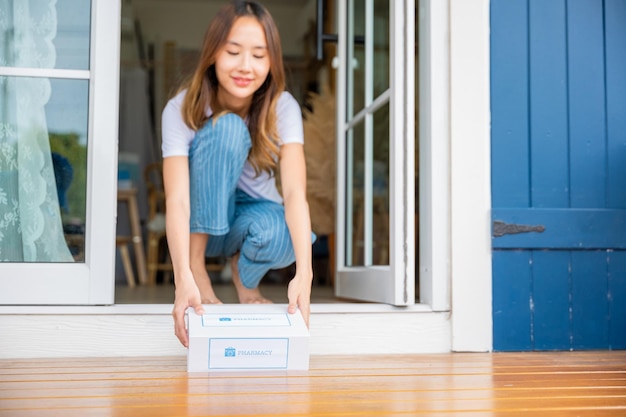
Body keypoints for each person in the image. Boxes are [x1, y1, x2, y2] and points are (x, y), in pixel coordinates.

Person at [161, 0, 314, 347]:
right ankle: (200, 267)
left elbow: (294, 194)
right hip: (200, 221)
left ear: (272, 61)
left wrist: (304, 274)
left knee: (290, 235)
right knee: (228, 128)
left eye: (259, 56)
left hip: (248, 217)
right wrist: (183, 276)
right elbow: (179, 200)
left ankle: (245, 279)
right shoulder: (181, 109)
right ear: (213, 53)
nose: (246, 66)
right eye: (233, 52)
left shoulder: (282, 106)